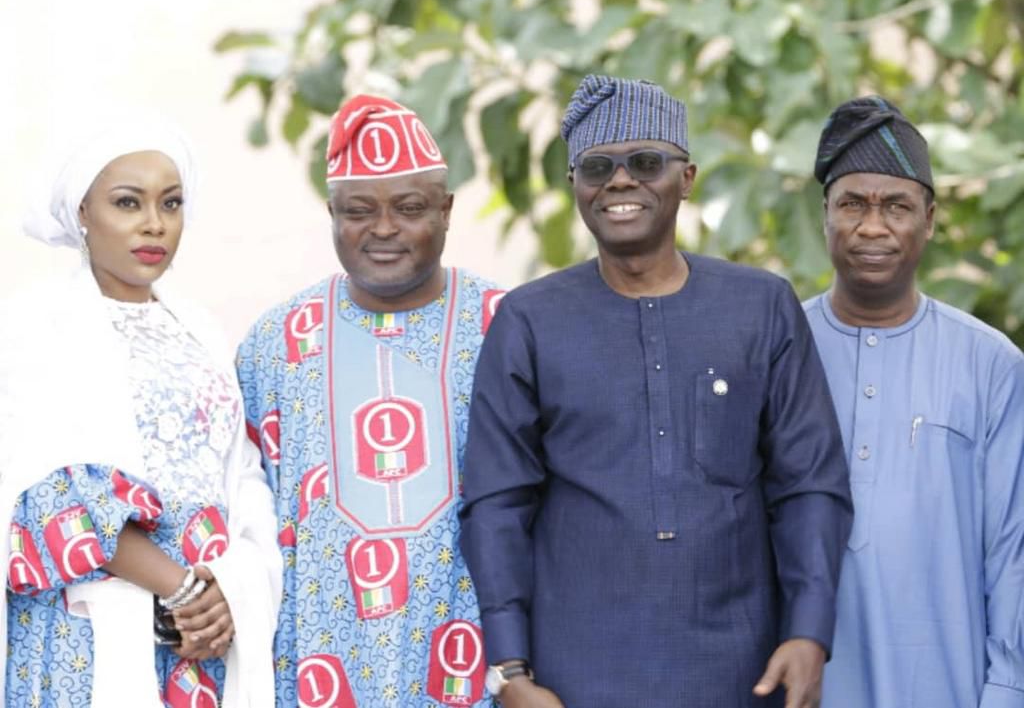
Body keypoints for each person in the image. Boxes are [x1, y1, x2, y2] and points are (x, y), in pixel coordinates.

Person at [459, 74, 853, 708]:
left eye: (646, 162)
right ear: (574, 187)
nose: (620, 181)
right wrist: (510, 669)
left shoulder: (760, 307)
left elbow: (809, 486)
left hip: (740, 672)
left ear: (687, 178)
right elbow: (496, 504)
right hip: (574, 679)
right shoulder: (530, 320)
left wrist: (809, 632)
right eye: (597, 166)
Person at [0, 116, 282, 707]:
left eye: (171, 203)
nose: (154, 223)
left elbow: (243, 475)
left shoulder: (198, 330)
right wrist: (176, 588)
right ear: (82, 211)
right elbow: (43, 493)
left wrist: (227, 590)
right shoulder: (35, 330)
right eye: (128, 202)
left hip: (198, 639)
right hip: (88, 635)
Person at [236, 95, 503, 707]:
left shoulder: (507, 326)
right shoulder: (275, 343)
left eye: (409, 208)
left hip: (475, 672)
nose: (383, 229)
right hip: (312, 674)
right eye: (359, 211)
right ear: (331, 212)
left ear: (447, 209)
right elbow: (240, 508)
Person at [804, 96, 1024, 707]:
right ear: (825, 215)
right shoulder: (779, 350)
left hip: (948, 688)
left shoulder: (992, 364)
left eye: (895, 206)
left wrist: (1008, 691)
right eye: (852, 204)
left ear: (929, 220)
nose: (872, 227)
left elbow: (1014, 552)